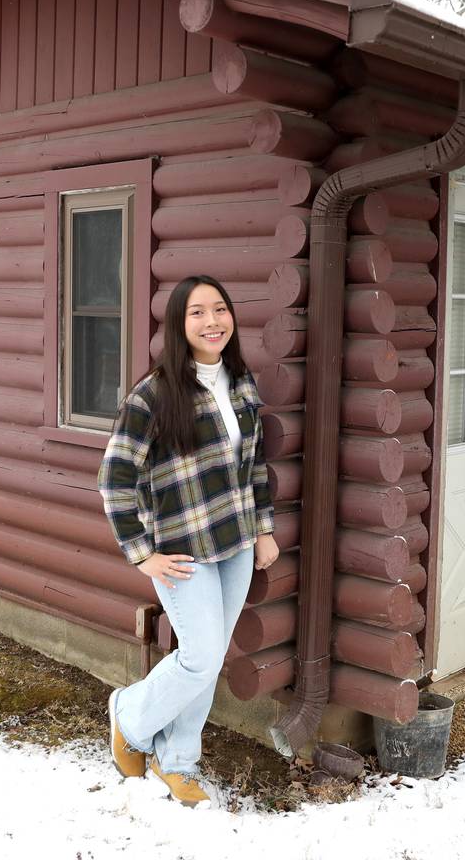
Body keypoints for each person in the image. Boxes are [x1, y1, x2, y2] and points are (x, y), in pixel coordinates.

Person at [97, 274, 279, 806]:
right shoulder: (152, 395)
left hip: (237, 543)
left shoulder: (241, 383)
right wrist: (141, 554)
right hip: (180, 551)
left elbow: (255, 467)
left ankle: (177, 761)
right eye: (197, 312)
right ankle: (129, 716)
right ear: (180, 325)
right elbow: (114, 479)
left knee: (211, 657)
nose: (212, 321)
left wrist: (263, 528)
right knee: (198, 657)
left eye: (219, 309)